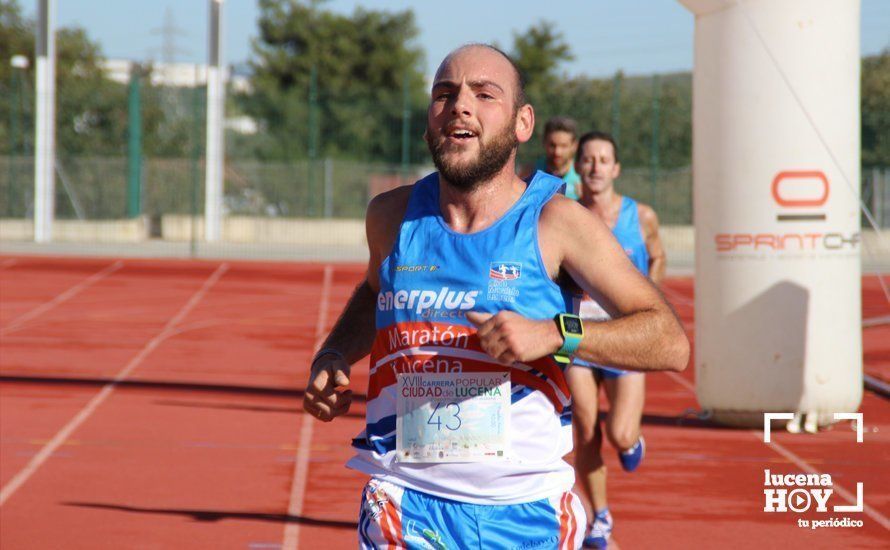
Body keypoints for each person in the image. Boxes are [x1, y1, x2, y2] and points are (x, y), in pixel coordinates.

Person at [302, 44, 688, 549]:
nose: (460, 105)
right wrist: (334, 353)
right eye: (445, 94)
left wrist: (554, 334)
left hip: (528, 512)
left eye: (484, 94)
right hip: (405, 502)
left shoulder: (557, 221)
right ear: (428, 122)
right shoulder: (391, 217)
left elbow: (669, 340)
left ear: (522, 122)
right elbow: (377, 290)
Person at [567, 130, 667, 549]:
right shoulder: (566, 215)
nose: (595, 167)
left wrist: (649, 298)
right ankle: (600, 519)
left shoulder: (640, 215)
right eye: (587, 159)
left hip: (625, 338)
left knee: (620, 435)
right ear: (577, 167)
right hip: (578, 337)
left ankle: (632, 441)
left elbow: (658, 255)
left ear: (616, 168)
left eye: (603, 160)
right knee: (586, 429)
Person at [524, 116, 582, 200]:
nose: (557, 152)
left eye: (563, 146)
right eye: (552, 145)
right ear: (544, 142)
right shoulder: (530, 173)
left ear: (574, 146)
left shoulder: (582, 178)